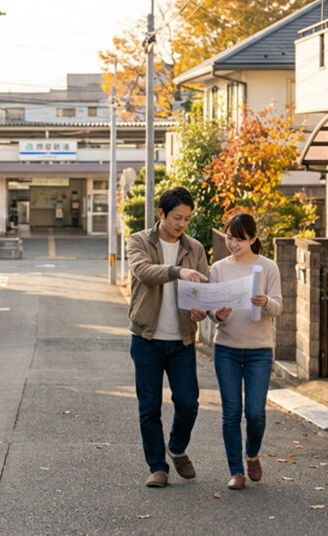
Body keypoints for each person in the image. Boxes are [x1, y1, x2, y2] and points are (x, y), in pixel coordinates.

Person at [190, 212, 282, 490]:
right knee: (231, 412)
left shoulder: (268, 267)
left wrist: (266, 301)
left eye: (239, 239)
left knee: (255, 412)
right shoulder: (218, 268)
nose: (233, 244)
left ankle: (252, 454)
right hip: (227, 348)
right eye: (229, 237)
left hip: (259, 349)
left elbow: (279, 307)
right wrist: (219, 314)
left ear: (253, 238)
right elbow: (210, 312)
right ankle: (236, 471)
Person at [126, 186, 209, 488]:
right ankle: (157, 467)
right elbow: (143, 271)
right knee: (149, 406)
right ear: (161, 214)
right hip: (146, 338)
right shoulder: (139, 241)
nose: (182, 224)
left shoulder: (195, 248)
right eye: (177, 217)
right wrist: (177, 272)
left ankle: (176, 447)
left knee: (188, 403)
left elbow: (204, 288)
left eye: (187, 219)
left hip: (182, 341)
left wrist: (203, 310)